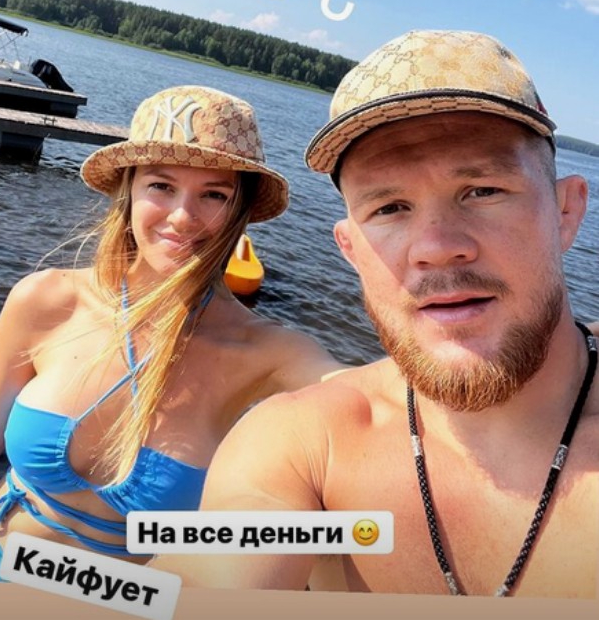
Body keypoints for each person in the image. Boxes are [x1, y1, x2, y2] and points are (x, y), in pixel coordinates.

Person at [153, 31, 599, 597]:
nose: (436, 247)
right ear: (351, 249)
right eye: (389, 208)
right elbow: (187, 589)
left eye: (482, 190)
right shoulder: (306, 446)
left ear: (566, 210)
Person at [0, 85, 343, 581]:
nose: (182, 217)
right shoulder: (46, 300)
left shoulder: (271, 355)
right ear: (128, 189)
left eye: (214, 194)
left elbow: (373, 402)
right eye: (161, 186)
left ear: (238, 211)